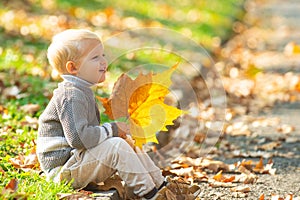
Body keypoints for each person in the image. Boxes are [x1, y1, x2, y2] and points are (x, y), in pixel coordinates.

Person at [37, 29, 199, 199]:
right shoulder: (71, 96)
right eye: (95, 58)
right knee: (117, 146)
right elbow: (78, 138)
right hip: (63, 171)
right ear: (73, 67)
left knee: (125, 141)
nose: (103, 62)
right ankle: (150, 194)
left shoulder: (80, 91)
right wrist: (111, 129)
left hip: (76, 161)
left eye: (103, 55)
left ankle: (161, 185)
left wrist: (115, 133)